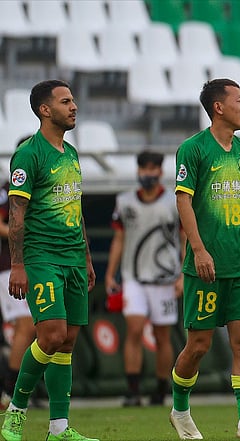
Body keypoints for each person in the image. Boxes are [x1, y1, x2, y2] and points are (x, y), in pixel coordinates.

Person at [168, 78, 240, 440]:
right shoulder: (193, 149)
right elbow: (183, 200)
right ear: (219, 107)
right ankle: (180, 409)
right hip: (206, 265)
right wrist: (198, 249)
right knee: (198, 345)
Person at [1, 79, 97, 441]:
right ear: (45, 110)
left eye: (73, 100)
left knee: (67, 341)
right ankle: (16, 410)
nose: (74, 107)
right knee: (51, 334)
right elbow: (17, 213)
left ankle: (59, 428)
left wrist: (87, 256)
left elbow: (77, 209)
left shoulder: (70, 154)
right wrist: (19, 264)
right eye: (65, 101)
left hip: (73, 256)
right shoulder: (28, 154)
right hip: (42, 256)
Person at [104, 150, 182, 408]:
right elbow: (119, 238)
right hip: (133, 277)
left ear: (160, 171)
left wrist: (183, 274)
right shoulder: (124, 201)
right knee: (134, 330)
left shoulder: (174, 201)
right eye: (143, 169)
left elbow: (186, 238)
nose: (147, 174)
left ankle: (161, 388)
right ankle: (133, 389)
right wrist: (110, 273)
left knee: (162, 336)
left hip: (165, 278)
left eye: (152, 169)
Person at [0, 137, 38, 411]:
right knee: (25, 327)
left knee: (42, 329)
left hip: (40, 262)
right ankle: (10, 392)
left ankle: (23, 390)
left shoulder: (49, 184)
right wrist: (23, 232)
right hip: (11, 265)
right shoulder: (8, 188)